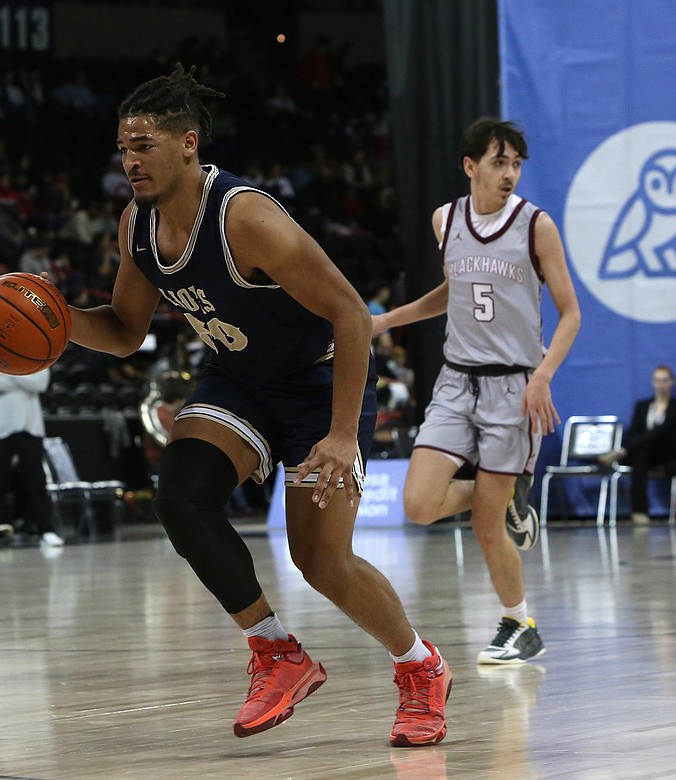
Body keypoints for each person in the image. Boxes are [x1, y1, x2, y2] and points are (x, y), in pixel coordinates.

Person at [65, 65, 448, 745]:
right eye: (123, 147)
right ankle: (277, 653)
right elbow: (124, 331)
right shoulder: (136, 224)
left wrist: (340, 435)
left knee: (321, 561)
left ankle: (421, 669)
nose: (129, 160)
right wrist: (57, 320)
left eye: (144, 144)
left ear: (188, 142)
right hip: (239, 380)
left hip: (317, 386)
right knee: (181, 497)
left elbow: (354, 317)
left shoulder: (245, 216)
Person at [372, 117, 581, 665]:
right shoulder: (447, 220)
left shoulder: (537, 226)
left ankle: (520, 622)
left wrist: (542, 376)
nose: (509, 173)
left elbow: (570, 314)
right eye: (498, 162)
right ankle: (505, 494)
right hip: (456, 380)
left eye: (516, 164)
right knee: (417, 505)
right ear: (470, 167)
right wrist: (386, 320)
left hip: (513, 385)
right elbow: (455, 291)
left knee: (487, 528)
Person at [0, 362, 62, 549]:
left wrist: (8, 370)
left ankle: (46, 529)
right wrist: (24, 372)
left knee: (36, 479)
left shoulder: (38, 352)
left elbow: (40, 383)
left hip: (31, 426)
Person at [598, 365, 676, 524]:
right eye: (657, 380)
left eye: (664, 380)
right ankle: (640, 511)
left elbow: (665, 430)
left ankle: (621, 451)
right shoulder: (642, 406)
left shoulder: (675, 407)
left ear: (671, 383)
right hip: (645, 454)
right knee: (639, 456)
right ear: (653, 383)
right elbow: (635, 431)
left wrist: (627, 448)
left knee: (654, 435)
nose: (661, 384)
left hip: (668, 453)